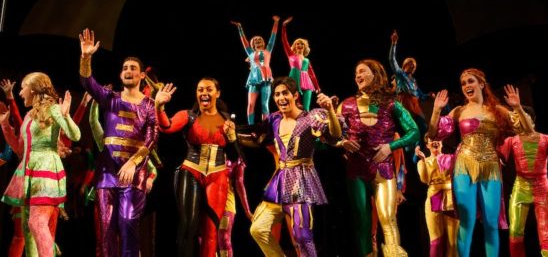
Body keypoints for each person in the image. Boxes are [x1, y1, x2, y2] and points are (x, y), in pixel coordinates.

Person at [78, 28, 171, 257]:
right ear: (121, 75)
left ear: (141, 76)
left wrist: (133, 163)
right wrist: (86, 57)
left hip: (134, 173)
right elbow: (87, 82)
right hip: (107, 172)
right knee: (106, 229)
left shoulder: (148, 105)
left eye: (133, 69)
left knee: (128, 223)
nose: (128, 71)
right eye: (125, 68)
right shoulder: (110, 98)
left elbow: (152, 138)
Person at [322, 59, 420, 257]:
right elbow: (328, 137)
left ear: (374, 74)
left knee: (388, 218)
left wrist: (389, 147)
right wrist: (342, 143)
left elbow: (414, 132)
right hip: (356, 171)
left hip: (383, 169)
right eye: (355, 73)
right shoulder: (347, 105)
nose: (357, 76)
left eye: (361, 71)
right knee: (362, 221)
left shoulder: (391, 104)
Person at [429, 69, 533, 257]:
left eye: (471, 81)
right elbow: (433, 134)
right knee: (467, 221)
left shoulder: (497, 110)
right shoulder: (459, 111)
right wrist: (436, 111)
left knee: (491, 223)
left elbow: (527, 130)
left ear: (482, 84)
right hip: (464, 166)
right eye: (463, 83)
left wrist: (517, 107)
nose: (467, 86)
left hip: (490, 166)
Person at [246, 77, 342, 256]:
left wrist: (330, 110)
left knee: (302, 235)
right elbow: (258, 140)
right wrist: (233, 137)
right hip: (280, 182)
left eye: (285, 93)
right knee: (258, 229)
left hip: (301, 182)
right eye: (276, 94)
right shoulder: (274, 119)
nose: (280, 98)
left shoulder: (311, 117)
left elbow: (335, 136)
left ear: (295, 95)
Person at [1, 72, 81, 257]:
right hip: (28, 173)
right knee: (28, 230)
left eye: (23, 87)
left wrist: (66, 115)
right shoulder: (29, 115)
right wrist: (5, 125)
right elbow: (20, 149)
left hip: (46, 170)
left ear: (34, 88)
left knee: (36, 223)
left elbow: (75, 135)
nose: (20, 93)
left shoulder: (52, 109)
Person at [158, 77, 239, 257]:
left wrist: (233, 137)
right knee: (188, 226)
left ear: (217, 93)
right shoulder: (188, 115)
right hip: (191, 171)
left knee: (211, 233)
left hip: (218, 176)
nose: (204, 93)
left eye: (209, 89)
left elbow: (234, 157)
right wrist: (159, 107)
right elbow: (167, 127)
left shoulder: (226, 120)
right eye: (200, 89)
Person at [498, 106, 548, 257]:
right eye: (514, 118)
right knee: (515, 231)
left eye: (520, 116)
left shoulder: (546, 139)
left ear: (531, 120)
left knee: (546, 234)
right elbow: (497, 157)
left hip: (543, 189)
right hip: (520, 188)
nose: (517, 121)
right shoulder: (511, 141)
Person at [230, 16, 279, 124]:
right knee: (251, 104)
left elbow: (273, 37)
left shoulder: (268, 50)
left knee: (264, 104)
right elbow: (244, 41)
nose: (257, 41)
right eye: (255, 40)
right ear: (252, 44)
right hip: (253, 79)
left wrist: (276, 23)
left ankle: (265, 127)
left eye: (259, 39)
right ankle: (250, 126)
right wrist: (240, 28)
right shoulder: (250, 53)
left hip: (265, 78)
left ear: (263, 43)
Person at [416, 135, 459, 257]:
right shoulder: (422, 162)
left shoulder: (451, 158)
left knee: (453, 243)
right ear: (427, 144)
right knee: (436, 242)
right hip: (433, 197)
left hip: (451, 199)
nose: (435, 142)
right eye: (431, 140)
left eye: (438, 139)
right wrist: (423, 160)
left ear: (442, 142)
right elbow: (424, 179)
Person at [280, 17, 321, 110]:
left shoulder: (307, 60)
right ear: (294, 46)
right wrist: (283, 26)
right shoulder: (291, 55)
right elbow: (284, 40)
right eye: (297, 43)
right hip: (295, 79)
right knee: (296, 105)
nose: (299, 45)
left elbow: (312, 74)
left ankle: (306, 119)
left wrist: (317, 86)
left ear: (304, 46)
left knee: (307, 107)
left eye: (301, 44)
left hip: (306, 81)